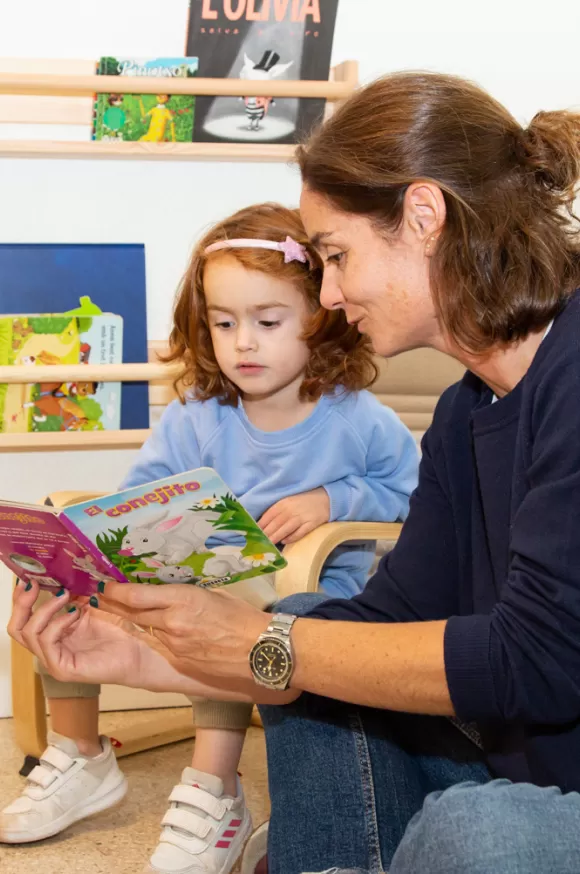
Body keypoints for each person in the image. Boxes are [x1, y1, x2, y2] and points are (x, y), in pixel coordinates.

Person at [9, 70, 580, 873]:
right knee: (312, 615)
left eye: (337, 256)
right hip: (517, 759)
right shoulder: (466, 412)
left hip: (543, 788)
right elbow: (385, 619)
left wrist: (259, 639)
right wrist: (147, 656)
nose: (333, 294)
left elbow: (538, 662)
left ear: (423, 216)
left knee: (474, 832)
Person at [2, 202, 418, 874]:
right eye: (224, 323)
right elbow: (140, 494)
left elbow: (415, 496)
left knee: (225, 604)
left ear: (323, 316)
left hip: (307, 596)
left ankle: (214, 788)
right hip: (198, 573)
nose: (243, 343)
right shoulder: (197, 415)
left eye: (267, 321)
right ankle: (81, 756)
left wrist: (333, 498)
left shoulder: (358, 420)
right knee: (66, 581)